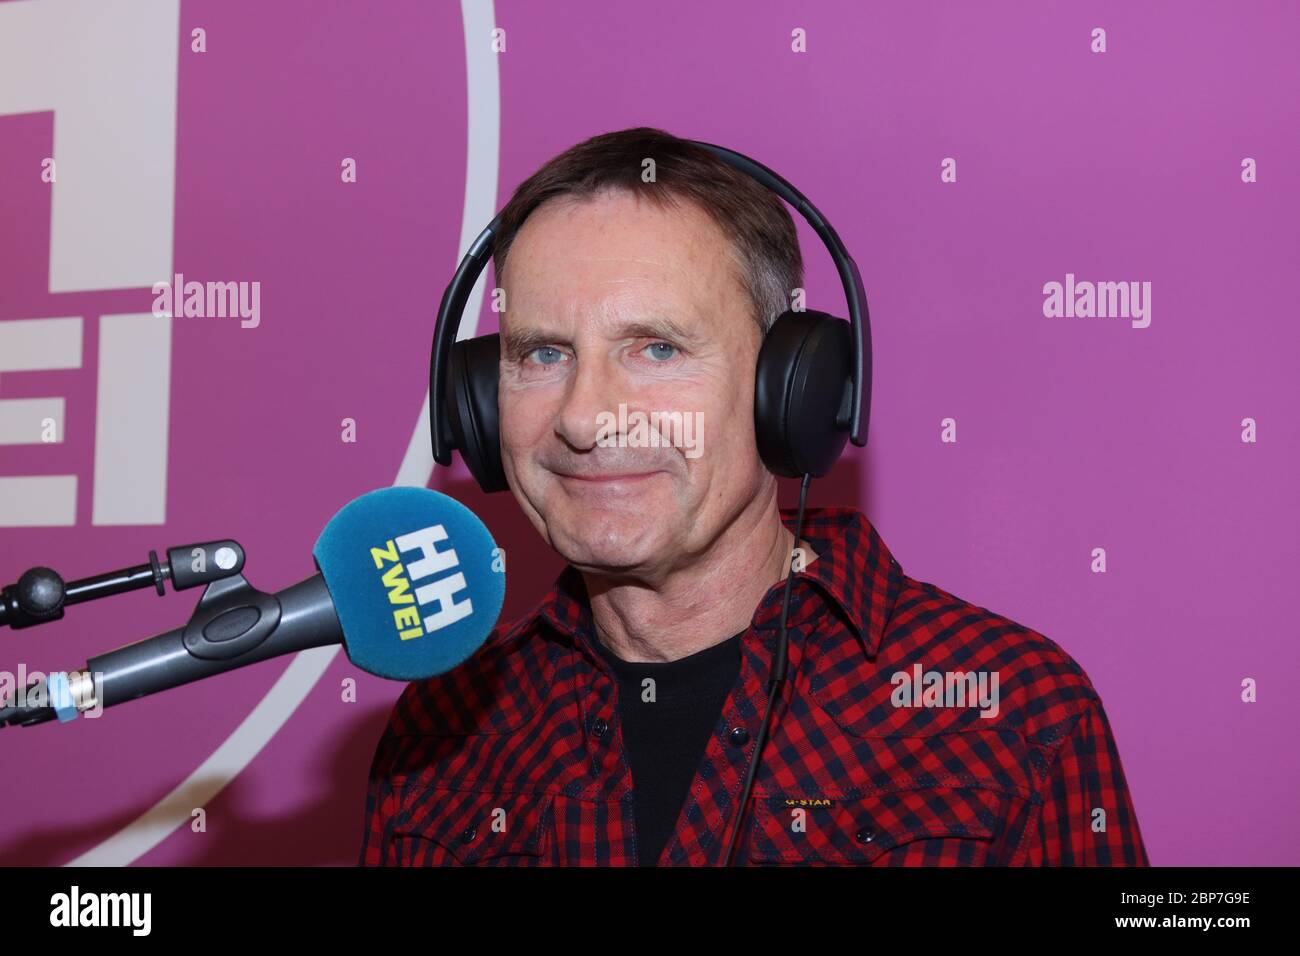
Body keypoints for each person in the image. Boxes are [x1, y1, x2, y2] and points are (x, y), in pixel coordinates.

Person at [358, 127, 1149, 866]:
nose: (584, 417)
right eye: (542, 353)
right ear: (479, 403)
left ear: (793, 390)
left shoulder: (1015, 712)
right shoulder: (443, 731)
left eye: (657, 348)